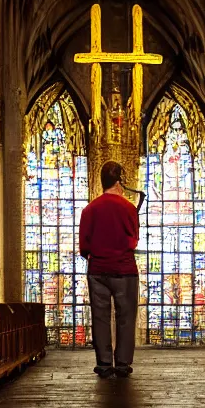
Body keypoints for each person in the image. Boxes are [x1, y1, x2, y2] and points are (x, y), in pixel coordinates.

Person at [79, 161, 139, 378]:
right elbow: (133, 240)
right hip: (124, 270)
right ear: (120, 181)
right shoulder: (129, 208)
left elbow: (84, 245)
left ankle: (104, 363)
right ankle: (122, 363)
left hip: (98, 270)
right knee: (126, 317)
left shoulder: (90, 209)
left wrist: (96, 254)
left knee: (100, 316)